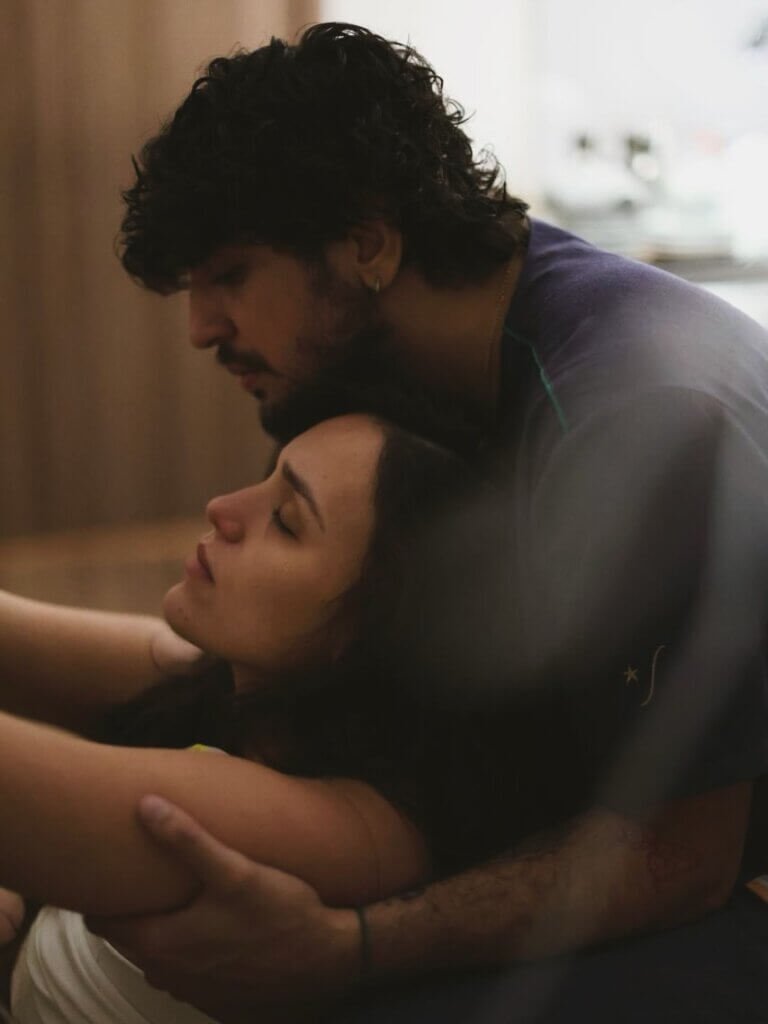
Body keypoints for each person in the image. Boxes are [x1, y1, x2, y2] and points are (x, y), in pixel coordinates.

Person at [72, 21, 768, 1023]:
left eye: (230, 275)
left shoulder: (629, 413)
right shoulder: (464, 353)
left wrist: (354, 948)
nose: (201, 329)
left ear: (368, 244)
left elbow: (679, 853)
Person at [0, 412, 498, 1023]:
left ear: (375, 633)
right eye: (267, 476)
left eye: (286, 521)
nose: (221, 508)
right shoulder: (228, 685)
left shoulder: (355, 833)